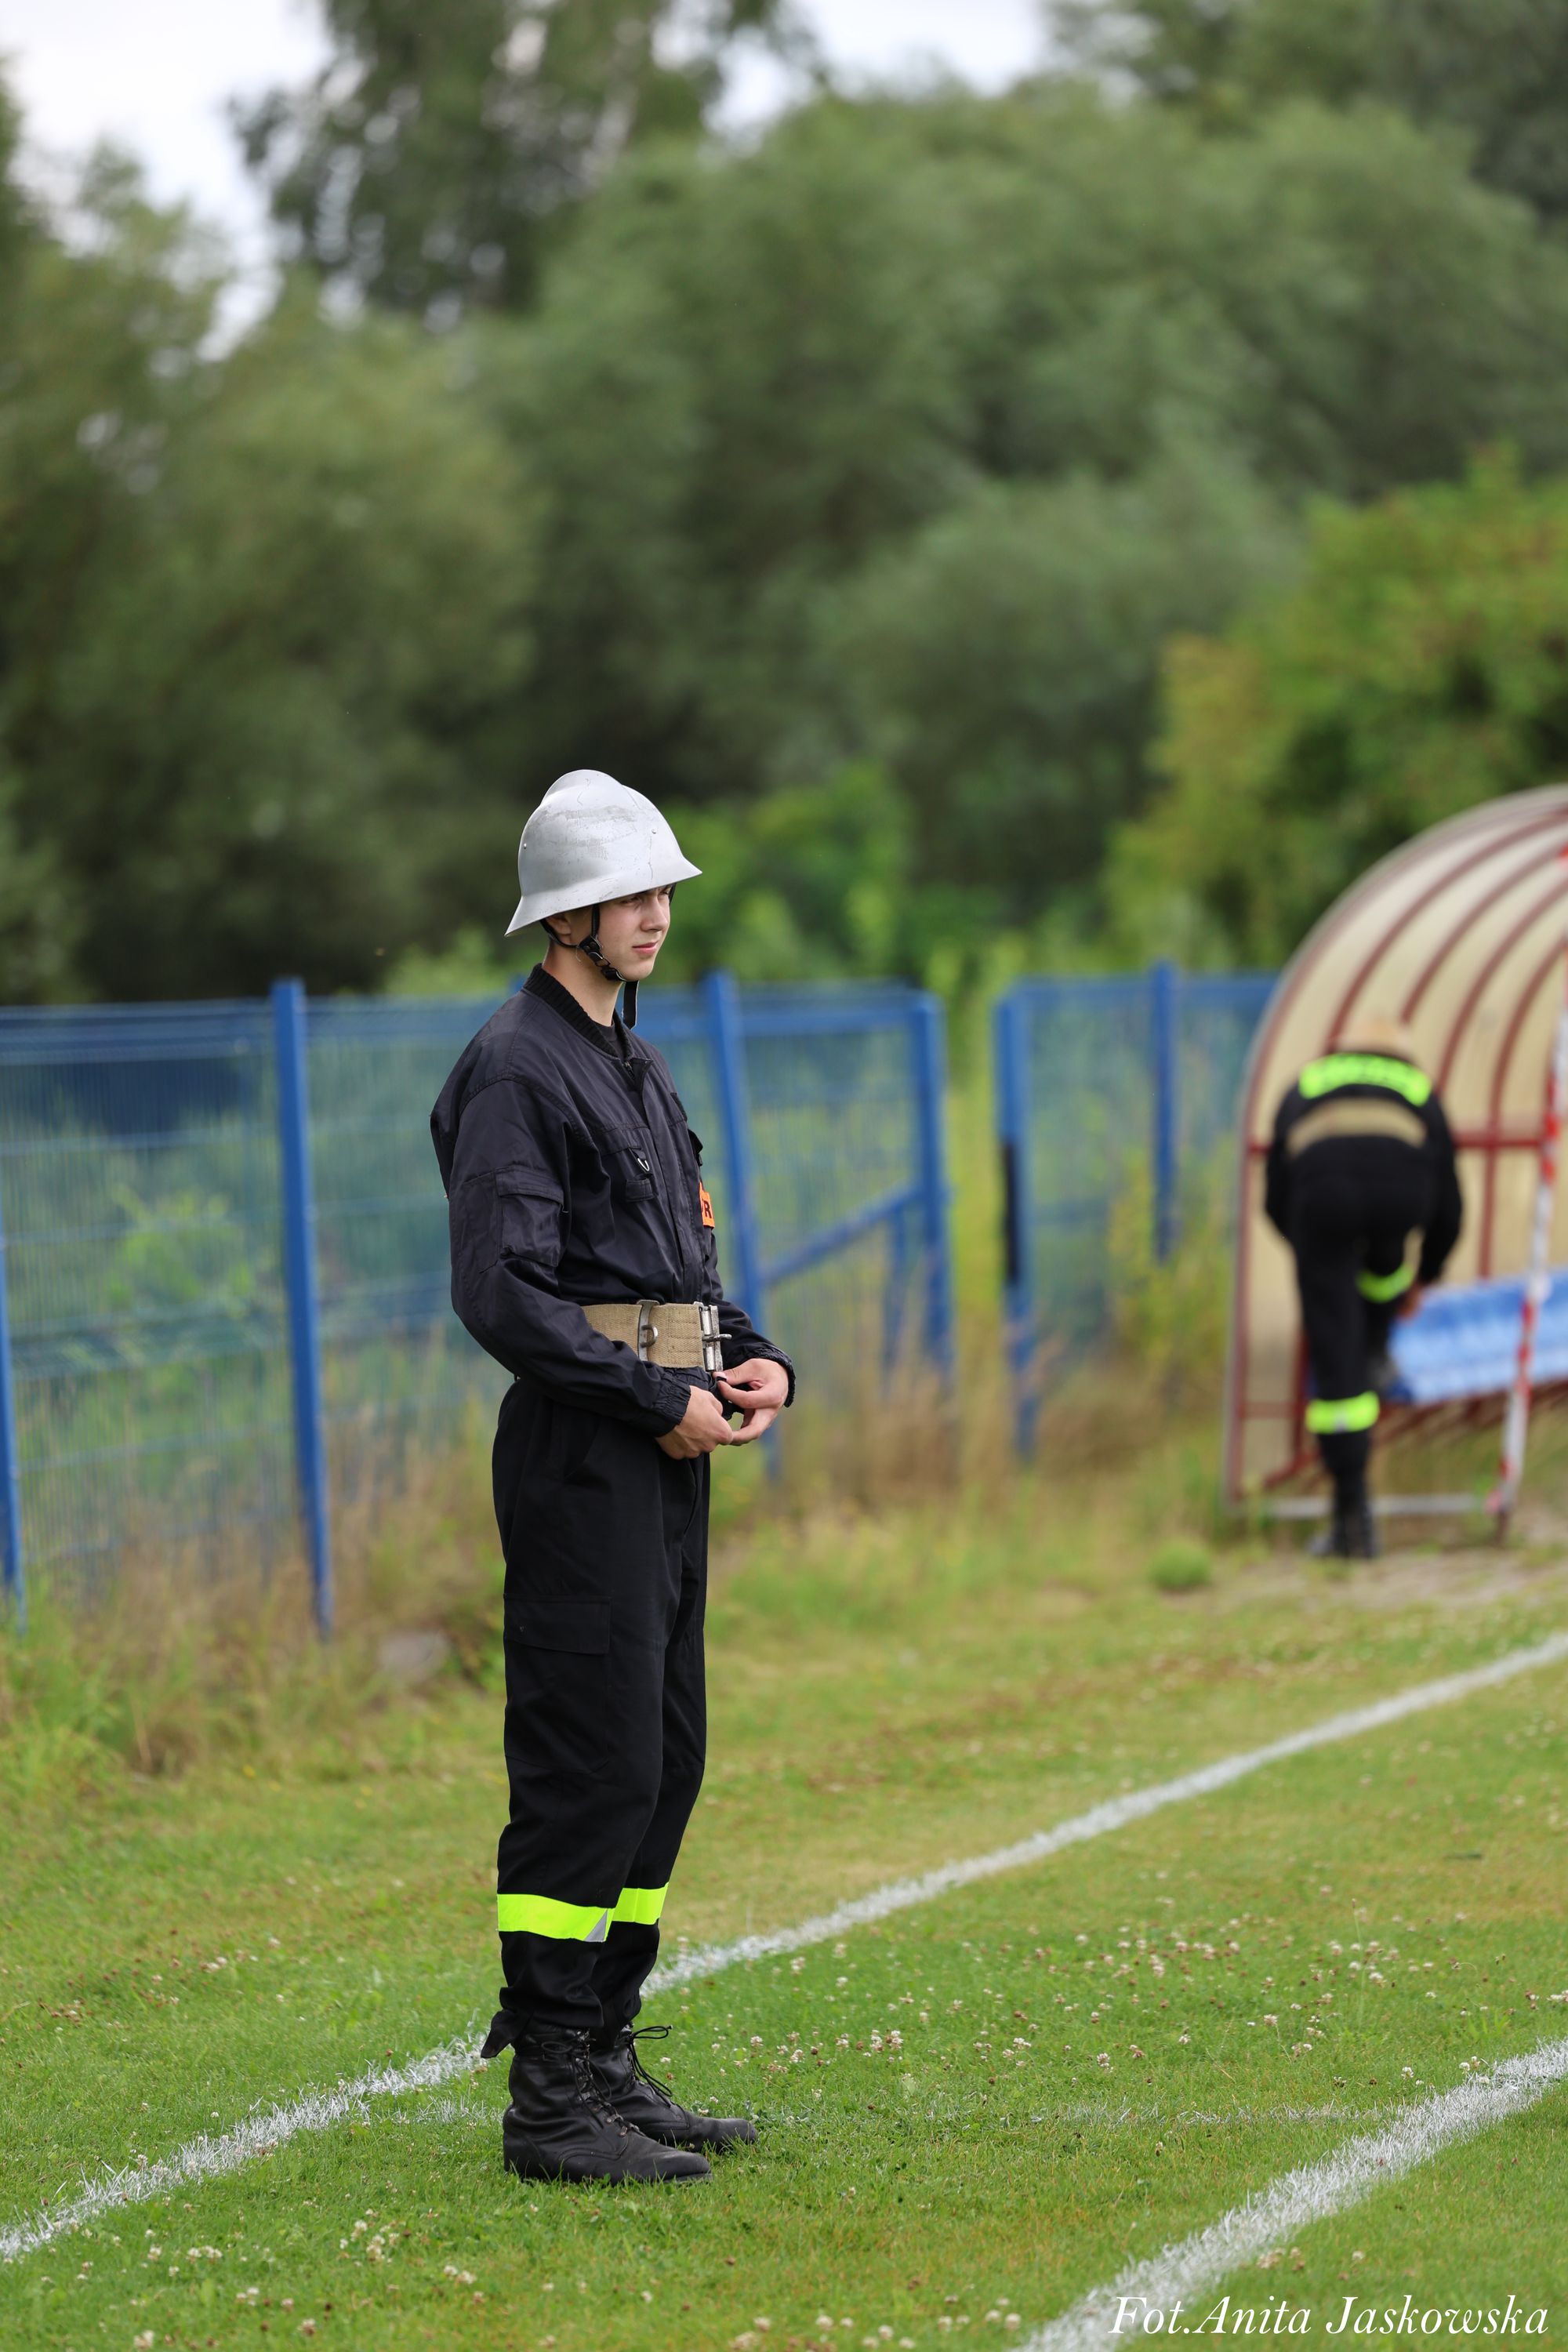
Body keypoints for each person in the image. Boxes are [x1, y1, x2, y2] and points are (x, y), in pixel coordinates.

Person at [431, 770, 795, 2185]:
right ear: (563, 916)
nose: (653, 914)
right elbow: (504, 1295)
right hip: (589, 1452)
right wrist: (657, 1398)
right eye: (628, 894)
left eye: (660, 892)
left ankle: (609, 2049)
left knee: (665, 1759)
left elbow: (675, 1268)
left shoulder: (633, 1058)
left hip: (666, 1440)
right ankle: (550, 2102)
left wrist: (751, 1356)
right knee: (591, 1766)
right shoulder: (517, 1067)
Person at [1264, 1014, 1463, 1560]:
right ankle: (1377, 1345)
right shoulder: (1418, 1088)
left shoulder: (1307, 1083)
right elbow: (1449, 1205)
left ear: (1342, 1049)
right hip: (1400, 1203)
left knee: (1337, 1376)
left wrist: (1317, 1261)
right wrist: (1428, 1276)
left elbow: (1275, 1195)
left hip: (1318, 1204)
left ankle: (1354, 1523)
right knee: (1388, 1258)